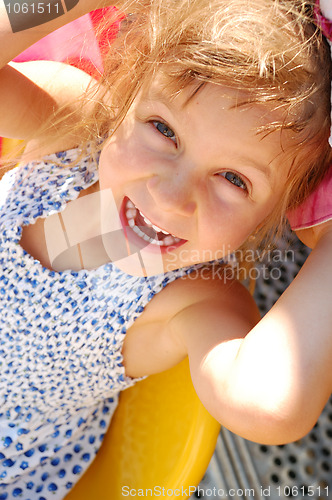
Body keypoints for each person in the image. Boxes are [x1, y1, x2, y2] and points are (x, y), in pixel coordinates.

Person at [0, 0, 331, 497]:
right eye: (164, 129)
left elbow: (269, 402)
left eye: (233, 180)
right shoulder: (78, 124)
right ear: (128, 91)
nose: (171, 195)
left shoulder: (193, 299)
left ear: (273, 215)